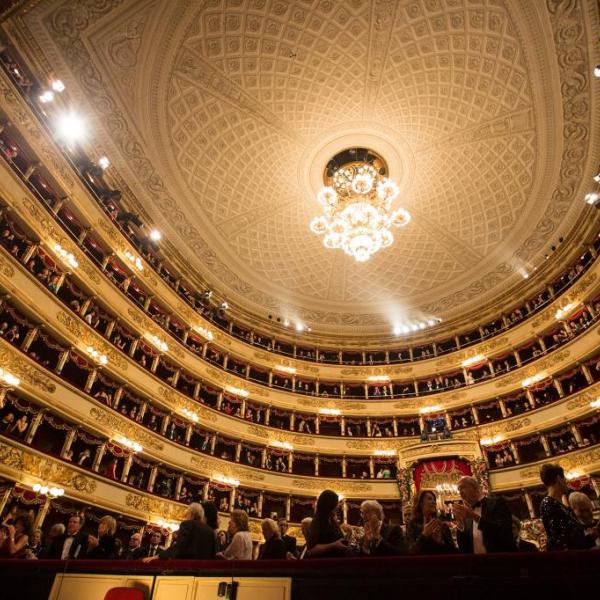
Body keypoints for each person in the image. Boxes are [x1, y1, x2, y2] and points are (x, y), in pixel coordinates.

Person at [540, 465, 597, 550]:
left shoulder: (558, 505)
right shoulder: (548, 504)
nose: (567, 482)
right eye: (565, 479)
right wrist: (592, 536)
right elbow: (564, 543)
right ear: (559, 478)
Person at [453, 476, 514, 553]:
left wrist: (474, 516)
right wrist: (460, 524)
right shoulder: (467, 513)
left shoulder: (497, 503)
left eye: (463, 487)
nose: (460, 493)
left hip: (500, 559)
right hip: (477, 563)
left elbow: (502, 531)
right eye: (458, 489)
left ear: (475, 488)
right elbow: (464, 548)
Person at [144, 503, 215, 561]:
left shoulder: (187, 524)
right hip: (202, 572)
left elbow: (179, 546)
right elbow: (212, 554)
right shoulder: (210, 531)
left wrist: (158, 557)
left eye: (186, 514)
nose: (186, 516)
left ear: (191, 514)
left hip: (185, 567)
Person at [305, 490, 351, 558]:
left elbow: (339, 540)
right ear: (329, 505)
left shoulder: (332, 520)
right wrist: (334, 545)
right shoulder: (317, 521)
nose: (338, 506)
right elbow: (311, 550)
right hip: (325, 564)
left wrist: (348, 534)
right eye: (336, 503)